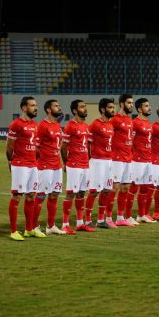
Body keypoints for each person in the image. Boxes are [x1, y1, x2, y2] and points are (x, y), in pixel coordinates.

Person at [6, 96, 45, 240]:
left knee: (31, 196)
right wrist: (11, 162)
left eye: (36, 105)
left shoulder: (35, 125)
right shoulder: (16, 124)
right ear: (24, 108)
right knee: (17, 196)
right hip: (20, 165)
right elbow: (9, 146)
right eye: (32, 105)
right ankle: (14, 231)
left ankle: (29, 229)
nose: (36, 108)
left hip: (32, 165)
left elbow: (35, 147)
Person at [33, 99, 66, 235]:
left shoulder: (57, 125)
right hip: (45, 166)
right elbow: (36, 148)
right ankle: (33, 226)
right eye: (56, 106)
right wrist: (41, 162)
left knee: (54, 195)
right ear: (48, 109)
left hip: (56, 166)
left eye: (59, 105)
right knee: (41, 195)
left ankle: (50, 226)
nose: (59, 107)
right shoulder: (42, 125)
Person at [61, 99, 94, 233]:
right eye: (81, 107)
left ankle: (80, 223)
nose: (85, 109)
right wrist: (66, 163)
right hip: (74, 165)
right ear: (75, 110)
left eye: (85, 106)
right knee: (71, 194)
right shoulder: (70, 126)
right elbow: (63, 147)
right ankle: (65, 224)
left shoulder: (86, 126)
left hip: (85, 164)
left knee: (81, 193)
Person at [105, 94, 136, 226]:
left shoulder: (129, 120)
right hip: (116, 159)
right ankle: (107, 218)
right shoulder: (114, 120)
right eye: (129, 103)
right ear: (122, 104)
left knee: (125, 188)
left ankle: (120, 217)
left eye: (132, 103)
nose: (131, 105)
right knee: (114, 187)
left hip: (128, 158)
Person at [124, 98, 156, 223]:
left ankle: (141, 215)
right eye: (146, 106)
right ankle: (128, 216)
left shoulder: (148, 123)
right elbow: (130, 141)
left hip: (148, 160)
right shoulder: (135, 123)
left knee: (145, 188)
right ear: (139, 109)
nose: (149, 108)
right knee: (133, 188)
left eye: (149, 105)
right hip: (137, 161)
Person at [85, 98, 116, 229]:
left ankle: (101, 219)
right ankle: (87, 220)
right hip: (97, 162)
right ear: (103, 109)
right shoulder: (95, 124)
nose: (112, 110)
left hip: (109, 161)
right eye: (110, 108)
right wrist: (89, 158)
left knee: (106, 190)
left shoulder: (110, 125)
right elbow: (86, 142)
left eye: (113, 107)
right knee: (94, 191)